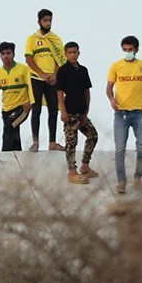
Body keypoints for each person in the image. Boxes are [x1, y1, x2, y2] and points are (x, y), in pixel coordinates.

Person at [106, 35, 142, 194]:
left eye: (130, 49)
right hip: (121, 113)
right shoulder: (116, 66)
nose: (128, 52)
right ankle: (121, 181)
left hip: (138, 112)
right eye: (125, 49)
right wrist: (111, 99)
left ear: (136, 49)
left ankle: (138, 177)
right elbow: (109, 87)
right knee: (120, 148)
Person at [55, 41, 99, 185]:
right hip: (70, 112)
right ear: (65, 54)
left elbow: (87, 90)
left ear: (78, 53)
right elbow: (59, 92)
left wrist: (87, 109)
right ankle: (72, 171)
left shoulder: (83, 70)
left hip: (81, 112)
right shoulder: (63, 70)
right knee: (71, 142)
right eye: (70, 52)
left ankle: (85, 165)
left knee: (92, 135)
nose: (73, 55)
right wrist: (63, 112)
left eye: (75, 52)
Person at [24, 9, 67, 152]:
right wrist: (41, 74)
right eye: (45, 20)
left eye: (49, 20)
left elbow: (60, 59)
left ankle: (52, 142)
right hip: (37, 78)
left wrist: (55, 75)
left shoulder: (56, 40)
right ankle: (35, 141)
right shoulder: (32, 39)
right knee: (36, 110)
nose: (48, 23)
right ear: (39, 22)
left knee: (53, 109)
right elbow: (29, 59)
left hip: (52, 79)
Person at [0, 42, 35, 152]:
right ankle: (17, 154)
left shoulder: (23, 69)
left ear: (13, 54)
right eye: (3, 54)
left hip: (22, 107)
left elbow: (31, 87)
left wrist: (30, 102)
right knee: (13, 131)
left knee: (9, 126)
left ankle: (5, 154)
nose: (5, 56)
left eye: (8, 53)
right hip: (6, 108)